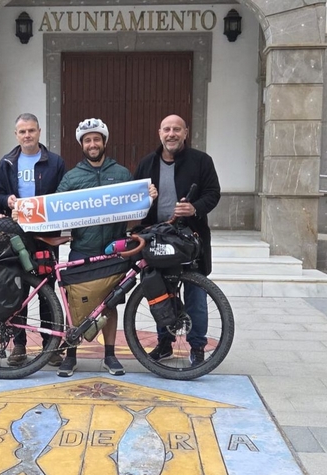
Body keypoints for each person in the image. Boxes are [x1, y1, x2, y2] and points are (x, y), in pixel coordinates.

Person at [54, 118, 157, 378]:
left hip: (112, 249)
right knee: (76, 303)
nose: (92, 144)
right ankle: (71, 355)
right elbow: (57, 211)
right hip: (83, 248)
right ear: (81, 144)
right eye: (87, 140)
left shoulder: (121, 174)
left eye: (96, 139)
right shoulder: (72, 177)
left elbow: (134, 213)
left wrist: (147, 198)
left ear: (104, 142)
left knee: (110, 304)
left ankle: (110, 355)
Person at [134, 114, 221, 366]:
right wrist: (145, 198)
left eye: (176, 129)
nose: (171, 134)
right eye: (167, 129)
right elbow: (133, 199)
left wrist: (195, 208)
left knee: (196, 293)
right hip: (158, 237)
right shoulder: (146, 163)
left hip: (190, 239)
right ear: (159, 132)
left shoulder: (202, 161)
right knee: (160, 293)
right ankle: (164, 343)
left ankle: (197, 347)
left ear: (185, 132)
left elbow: (213, 193)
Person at [0, 113, 66, 367]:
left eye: (31, 131)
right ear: (16, 135)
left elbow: (63, 194)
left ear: (39, 132)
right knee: (19, 292)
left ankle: (51, 347)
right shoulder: (7, 163)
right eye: (22, 131)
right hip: (17, 237)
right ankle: (19, 345)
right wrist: (7, 201)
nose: (27, 135)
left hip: (46, 237)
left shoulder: (55, 162)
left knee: (47, 292)